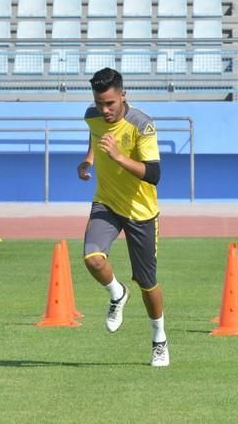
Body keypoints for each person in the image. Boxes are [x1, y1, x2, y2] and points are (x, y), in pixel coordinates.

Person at [77, 68, 169, 367]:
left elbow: (154, 174)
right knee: (92, 258)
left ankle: (159, 340)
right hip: (106, 203)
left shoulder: (142, 125)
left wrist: (118, 157)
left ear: (123, 96)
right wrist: (89, 159)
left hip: (141, 213)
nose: (105, 110)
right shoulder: (92, 115)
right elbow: (96, 134)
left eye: (110, 104)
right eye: (100, 103)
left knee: (148, 284)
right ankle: (117, 294)